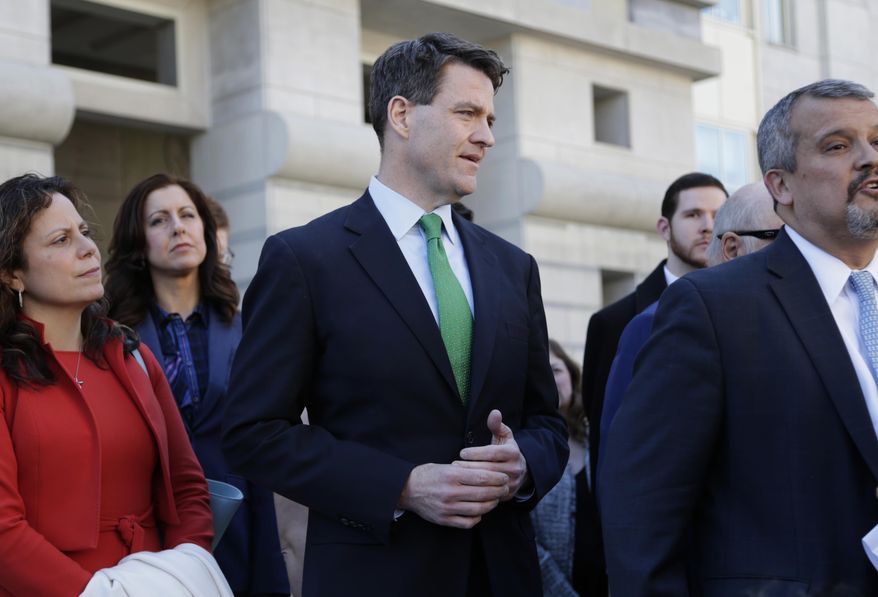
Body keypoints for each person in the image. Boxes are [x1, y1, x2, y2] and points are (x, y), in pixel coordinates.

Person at [222, 32, 568, 597]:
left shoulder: (513, 267)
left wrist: (521, 464)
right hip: (375, 576)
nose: (487, 136)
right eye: (466, 113)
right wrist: (402, 486)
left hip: (503, 574)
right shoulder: (305, 259)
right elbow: (252, 434)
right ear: (402, 115)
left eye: (489, 119)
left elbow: (548, 425)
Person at [600, 79, 878, 594]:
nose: (870, 158)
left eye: (877, 141)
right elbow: (642, 509)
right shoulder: (712, 308)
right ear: (781, 185)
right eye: (838, 145)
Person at [0, 174, 213, 595]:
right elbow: (3, 529)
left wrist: (187, 570)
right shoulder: (6, 374)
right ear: (12, 274)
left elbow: (187, 488)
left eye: (84, 231)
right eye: (61, 240)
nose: (88, 248)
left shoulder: (134, 358)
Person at [104, 174, 289, 597]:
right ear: (138, 243)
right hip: (146, 533)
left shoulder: (248, 330)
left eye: (187, 215)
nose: (178, 228)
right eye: (159, 220)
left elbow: (265, 442)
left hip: (239, 526)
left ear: (206, 230)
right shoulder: (112, 337)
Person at [599, 181, 783, 464]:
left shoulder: (790, 318)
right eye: (779, 238)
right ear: (731, 247)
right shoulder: (650, 323)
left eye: (716, 214)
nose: (707, 227)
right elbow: (625, 455)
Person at [530, 340, 589, 597]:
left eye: (555, 370)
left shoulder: (595, 438)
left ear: (572, 375)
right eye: (543, 373)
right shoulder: (525, 449)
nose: (550, 380)